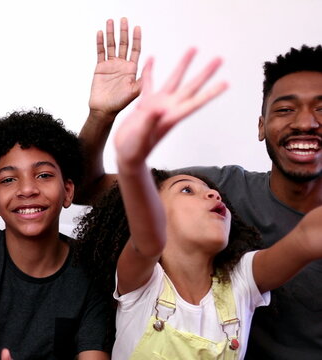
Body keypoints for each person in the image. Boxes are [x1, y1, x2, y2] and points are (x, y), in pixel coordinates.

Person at [77, 18, 322, 360]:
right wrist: (128, 156)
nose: (213, 194)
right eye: (286, 109)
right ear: (262, 125)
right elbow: (103, 201)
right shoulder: (145, 279)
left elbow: (307, 237)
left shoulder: (241, 281)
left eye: (321, 109)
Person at [0, 110, 110, 359]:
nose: (26, 189)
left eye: (43, 175)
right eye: (9, 179)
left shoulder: (91, 267)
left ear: (68, 191)